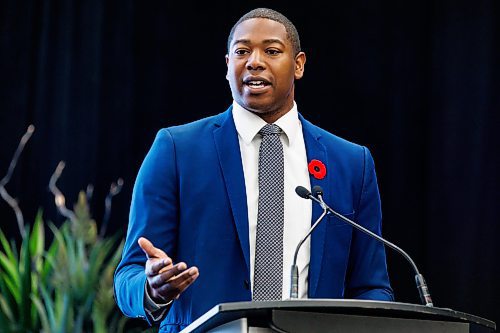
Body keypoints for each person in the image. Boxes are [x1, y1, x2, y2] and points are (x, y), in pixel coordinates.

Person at [114, 8, 393, 333]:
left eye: (272, 51)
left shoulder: (350, 163)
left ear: (299, 64)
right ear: (227, 65)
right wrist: (152, 288)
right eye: (242, 51)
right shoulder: (176, 149)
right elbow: (128, 276)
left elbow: (372, 287)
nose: (254, 61)